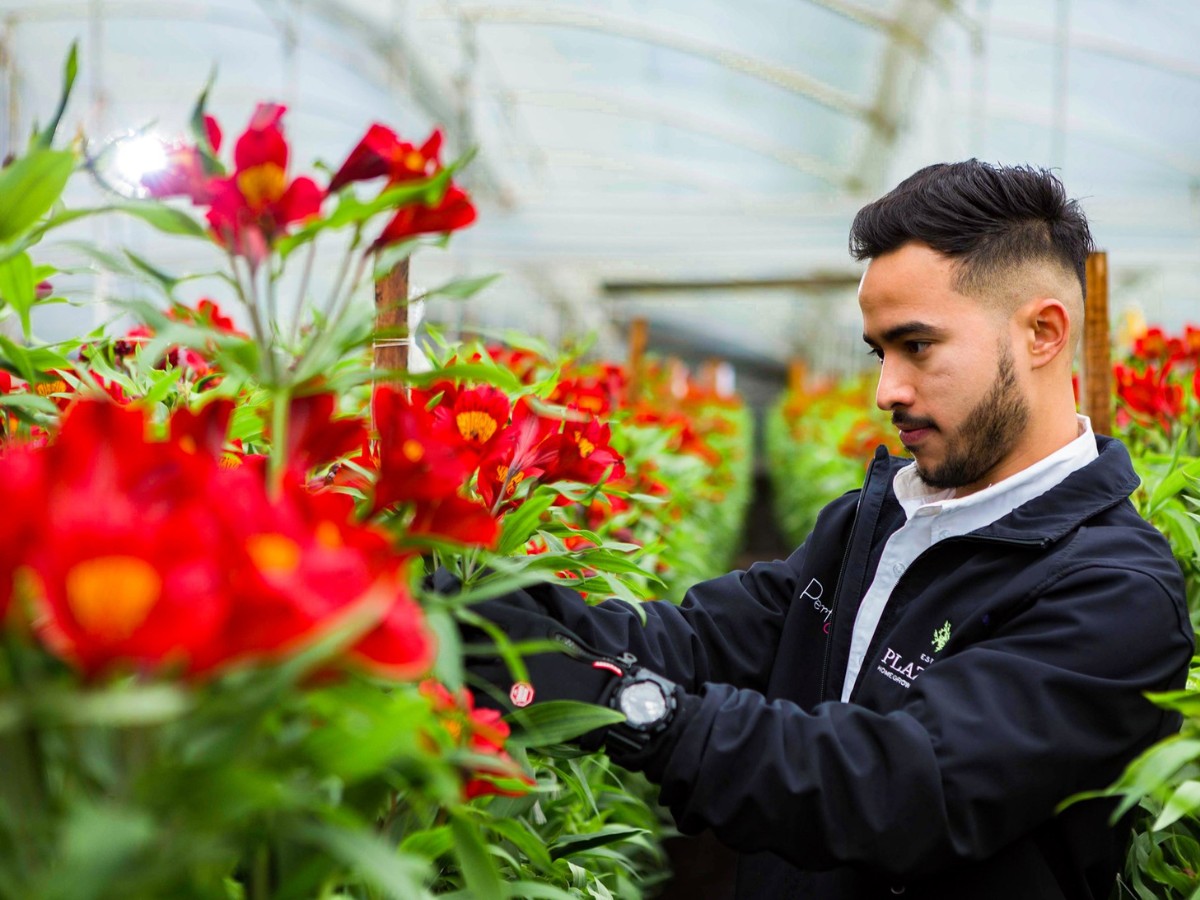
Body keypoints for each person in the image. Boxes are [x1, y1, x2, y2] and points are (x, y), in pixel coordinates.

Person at [461, 160, 1194, 899]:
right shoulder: (873, 524)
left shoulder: (1114, 590)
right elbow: (700, 642)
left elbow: (900, 788)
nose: (886, 392)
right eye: (880, 352)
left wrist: (632, 706)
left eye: (919, 346)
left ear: (1042, 332)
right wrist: (484, 616)